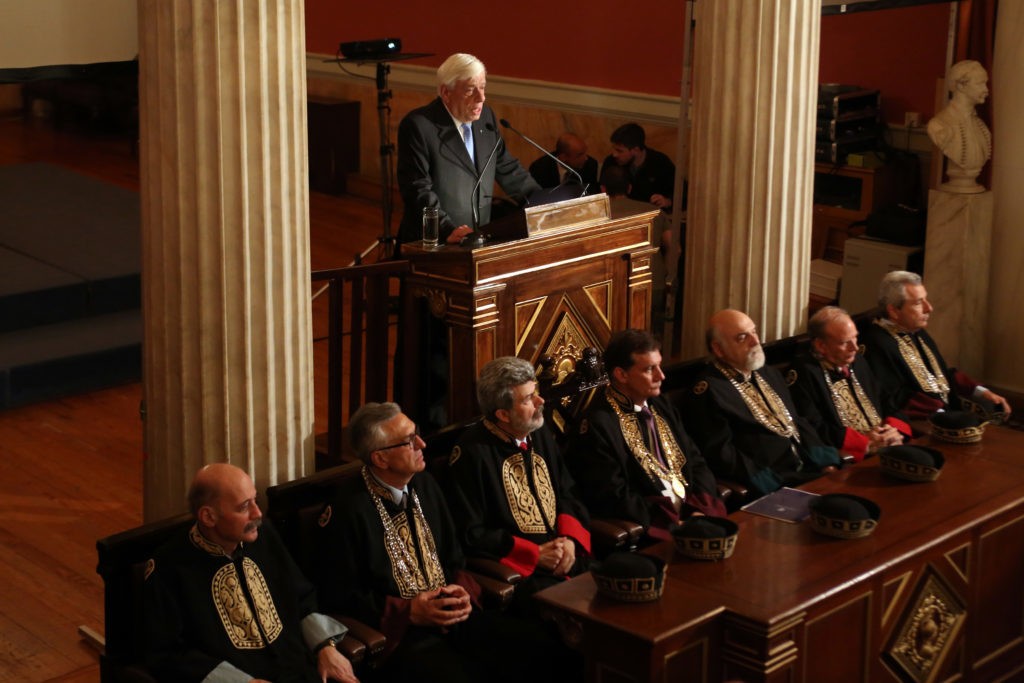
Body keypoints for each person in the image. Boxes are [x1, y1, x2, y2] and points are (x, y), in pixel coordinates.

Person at [315, 402, 575, 683]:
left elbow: (453, 556)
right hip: (402, 635)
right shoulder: (347, 509)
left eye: (417, 433)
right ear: (380, 458)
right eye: (409, 441)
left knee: (540, 648)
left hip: (453, 617)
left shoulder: (425, 484)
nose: (422, 444)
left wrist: (461, 592)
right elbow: (341, 597)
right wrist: (409, 611)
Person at [143, 463, 358, 683]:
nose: (257, 513)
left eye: (255, 500)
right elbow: (168, 655)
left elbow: (301, 597)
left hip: (301, 671)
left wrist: (325, 647)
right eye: (244, 507)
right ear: (208, 517)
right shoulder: (168, 568)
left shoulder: (264, 535)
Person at [446, 357, 591, 607]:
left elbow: (567, 491)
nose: (540, 401)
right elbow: (472, 533)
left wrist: (569, 540)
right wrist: (535, 554)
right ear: (503, 414)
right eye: (528, 399)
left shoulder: (539, 432)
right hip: (524, 574)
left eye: (536, 392)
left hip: (568, 557)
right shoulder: (471, 454)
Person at [567, 330, 726, 541]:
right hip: (653, 528)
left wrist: (699, 510)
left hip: (693, 513)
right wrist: (673, 523)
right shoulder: (599, 424)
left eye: (659, 366)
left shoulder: (660, 404)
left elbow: (695, 460)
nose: (661, 376)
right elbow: (613, 495)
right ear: (621, 375)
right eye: (650, 369)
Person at [684, 309, 841, 498]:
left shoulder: (767, 373)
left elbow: (795, 420)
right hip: (773, 483)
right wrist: (768, 482)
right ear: (719, 349)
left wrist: (826, 462)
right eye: (742, 337)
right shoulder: (709, 390)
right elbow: (722, 453)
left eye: (754, 332)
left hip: (809, 470)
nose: (755, 341)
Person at [396, 53, 541, 246]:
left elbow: (506, 167)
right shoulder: (419, 126)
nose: (481, 98)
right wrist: (446, 228)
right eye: (470, 90)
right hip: (437, 241)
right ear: (446, 92)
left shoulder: (486, 117)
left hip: (478, 237)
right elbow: (417, 189)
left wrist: (543, 204)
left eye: (483, 87)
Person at [860, 271, 1011, 420]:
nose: (929, 308)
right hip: (918, 424)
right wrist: (943, 415)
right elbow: (893, 398)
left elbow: (941, 376)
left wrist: (982, 392)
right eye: (918, 303)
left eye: (926, 300)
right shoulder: (876, 342)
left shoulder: (917, 333)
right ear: (893, 310)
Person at [787, 306, 910, 461]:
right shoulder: (804, 373)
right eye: (845, 342)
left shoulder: (857, 360)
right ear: (821, 346)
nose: (855, 347)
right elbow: (814, 427)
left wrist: (892, 429)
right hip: (852, 456)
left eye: (855, 338)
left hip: (886, 443)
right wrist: (864, 442)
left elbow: (884, 398)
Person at [926, 59, 992, 192]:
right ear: (961, 86)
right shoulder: (939, 125)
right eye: (980, 83)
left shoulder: (981, 126)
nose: (986, 90)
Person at [600, 122, 676, 210]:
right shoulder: (611, 162)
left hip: (649, 214)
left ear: (636, 150)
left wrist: (668, 201)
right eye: (614, 149)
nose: (614, 154)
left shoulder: (660, 162)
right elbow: (601, 192)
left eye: (620, 151)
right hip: (618, 212)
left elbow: (682, 193)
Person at [527, 131, 599, 192]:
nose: (586, 158)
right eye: (580, 155)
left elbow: (591, 193)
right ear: (563, 157)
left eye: (585, 152)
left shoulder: (591, 165)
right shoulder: (539, 168)